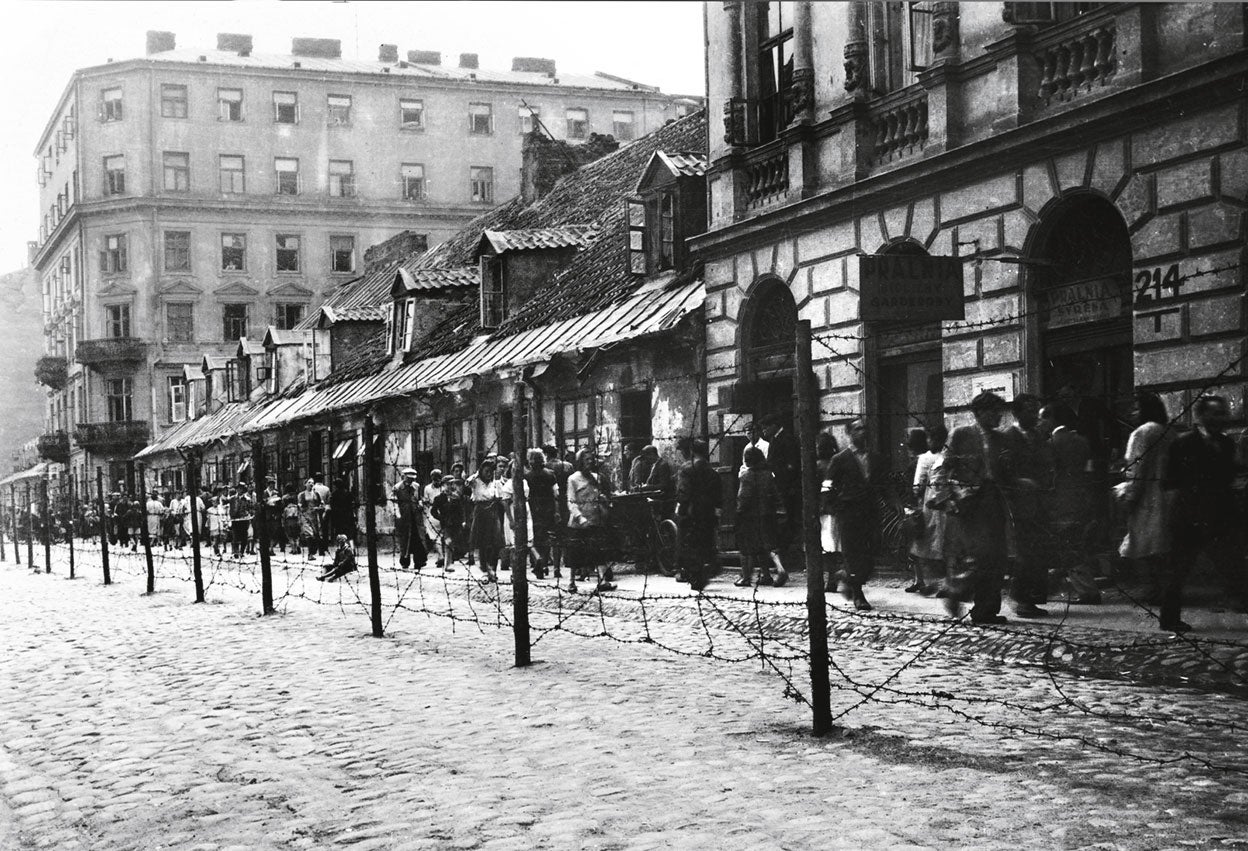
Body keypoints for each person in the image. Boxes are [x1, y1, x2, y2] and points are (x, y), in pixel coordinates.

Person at [1161, 395, 1245, 632]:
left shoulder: (1227, 444)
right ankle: (1169, 618)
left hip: (1220, 516)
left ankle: (1241, 604)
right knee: (1178, 570)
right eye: (1215, 413)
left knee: (1234, 565)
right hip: (1189, 517)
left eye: (1223, 413)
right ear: (1201, 416)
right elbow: (1169, 482)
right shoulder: (1183, 443)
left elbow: (1229, 478)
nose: (1221, 418)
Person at [941, 392, 1013, 625]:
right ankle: (957, 590)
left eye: (999, 411)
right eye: (993, 411)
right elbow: (943, 468)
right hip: (969, 503)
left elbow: (1007, 472)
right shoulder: (960, 434)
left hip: (994, 500)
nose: (998, 416)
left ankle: (986, 610)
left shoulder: (1002, 439)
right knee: (978, 555)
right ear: (979, 413)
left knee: (997, 556)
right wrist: (948, 498)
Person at [1115, 390, 1175, 606]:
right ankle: (1162, 588)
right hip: (1166, 495)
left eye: (1136, 408)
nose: (1132, 413)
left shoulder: (1142, 433)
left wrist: (1130, 496)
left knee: (1142, 544)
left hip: (1146, 497)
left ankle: (1152, 589)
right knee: (1161, 544)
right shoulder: (1167, 431)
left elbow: (1136, 468)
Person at [827, 419, 891, 611]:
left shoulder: (876, 458)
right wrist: (835, 506)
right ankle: (858, 593)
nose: (863, 432)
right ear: (849, 433)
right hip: (849, 513)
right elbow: (827, 485)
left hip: (870, 512)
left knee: (872, 553)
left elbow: (883, 484)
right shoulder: (839, 459)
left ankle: (846, 575)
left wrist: (894, 503)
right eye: (858, 429)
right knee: (853, 552)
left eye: (865, 428)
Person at [1002, 394, 1055, 618]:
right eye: (1029, 411)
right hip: (1019, 504)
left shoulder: (1038, 435)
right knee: (1025, 553)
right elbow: (1002, 472)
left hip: (1040, 502)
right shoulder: (1008, 436)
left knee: (1038, 551)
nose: (1034, 415)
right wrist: (1018, 482)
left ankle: (1031, 600)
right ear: (1017, 413)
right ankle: (1020, 599)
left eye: (1036, 411)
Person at [735, 446, 787, 588]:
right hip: (768, 514)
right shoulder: (768, 474)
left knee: (747, 546)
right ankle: (774, 571)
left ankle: (746, 577)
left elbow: (743, 497)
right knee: (769, 545)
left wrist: (739, 512)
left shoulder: (746, 476)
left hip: (750, 516)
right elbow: (776, 495)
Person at [674, 438, 722, 592]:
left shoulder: (686, 468)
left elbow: (683, 492)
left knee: (690, 543)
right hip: (707, 510)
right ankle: (709, 566)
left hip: (691, 511)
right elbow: (718, 492)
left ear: (692, 451)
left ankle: (695, 575)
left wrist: (681, 505)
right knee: (705, 541)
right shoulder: (710, 469)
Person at [566, 448, 614, 593]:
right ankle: (572, 582)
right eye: (586, 460)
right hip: (579, 523)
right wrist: (580, 518)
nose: (590, 462)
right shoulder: (573, 479)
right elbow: (571, 501)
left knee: (597, 550)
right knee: (575, 553)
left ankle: (602, 580)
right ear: (580, 462)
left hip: (595, 519)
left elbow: (599, 496)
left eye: (591, 459)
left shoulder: (596, 478)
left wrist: (604, 500)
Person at [909, 423, 948, 597]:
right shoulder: (949, 455)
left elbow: (917, 486)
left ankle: (927, 581)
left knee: (925, 543)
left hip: (930, 503)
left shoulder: (925, 458)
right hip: (947, 502)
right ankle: (946, 583)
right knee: (945, 542)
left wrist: (917, 496)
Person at [524, 448, 558, 579]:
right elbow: (556, 493)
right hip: (548, 508)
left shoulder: (527, 476)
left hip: (533, 509)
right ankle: (544, 562)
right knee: (547, 537)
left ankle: (537, 563)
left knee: (535, 537)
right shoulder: (550, 474)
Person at [468, 459, 503, 583]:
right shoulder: (476, 482)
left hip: (493, 512)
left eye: (491, 471)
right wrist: (477, 474)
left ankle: (492, 568)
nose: (489, 474)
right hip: (480, 512)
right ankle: (484, 570)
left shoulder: (496, 483)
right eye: (486, 471)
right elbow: (467, 482)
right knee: (481, 542)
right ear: (481, 471)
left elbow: (499, 499)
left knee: (495, 542)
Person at [816, 429, 843, 593]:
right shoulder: (837, 463)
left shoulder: (819, 465)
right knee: (835, 544)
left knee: (826, 545)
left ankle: (830, 579)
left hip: (823, 510)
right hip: (836, 508)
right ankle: (834, 576)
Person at [543, 444, 575, 579]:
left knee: (547, 535)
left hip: (548, 503)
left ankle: (545, 564)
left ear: (546, 454)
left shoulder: (544, 468)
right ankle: (564, 562)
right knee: (565, 533)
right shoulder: (568, 466)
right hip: (565, 502)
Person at [431, 474, 464, 572]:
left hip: (456, 523)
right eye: (448, 484)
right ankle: (447, 564)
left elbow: (461, 510)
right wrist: (441, 518)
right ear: (443, 485)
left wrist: (462, 520)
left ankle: (449, 560)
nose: (450, 486)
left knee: (453, 542)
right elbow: (433, 511)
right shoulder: (439, 498)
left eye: (452, 484)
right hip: (446, 524)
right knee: (448, 542)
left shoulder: (456, 497)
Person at [421, 470, 444, 567]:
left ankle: (441, 556)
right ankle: (439, 557)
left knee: (435, 536)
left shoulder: (440, 488)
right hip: (433, 513)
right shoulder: (429, 488)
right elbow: (426, 502)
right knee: (436, 536)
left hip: (436, 514)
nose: (437, 481)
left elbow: (426, 502)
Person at [297, 478, 322, 562]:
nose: (311, 484)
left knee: (316, 534)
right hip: (305, 516)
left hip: (315, 516)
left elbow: (321, 504)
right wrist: (300, 508)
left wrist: (318, 508)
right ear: (305, 484)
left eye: (312, 483)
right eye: (309, 482)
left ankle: (313, 551)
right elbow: (299, 505)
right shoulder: (302, 495)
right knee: (309, 534)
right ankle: (310, 554)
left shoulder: (316, 494)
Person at [229, 482, 254, 559]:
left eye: (241, 489)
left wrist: (250, 515)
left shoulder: (247, 499)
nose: (239, 490)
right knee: (235, 536)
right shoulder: (232, 499)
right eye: (238, 488)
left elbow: (251, 508)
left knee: (244, 536)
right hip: (235, 519)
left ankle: (242, 551)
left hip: (244, 519)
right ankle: (236, 551)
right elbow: (230, 508)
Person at [329, 476, 356, 546]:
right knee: (349, 534)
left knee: (340, 534)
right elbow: (353, 504)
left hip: (339, 517)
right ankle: (352, 548)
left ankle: (341, 549)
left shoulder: (334, 495)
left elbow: (332, 506)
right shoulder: (348, 493)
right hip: (348, 516)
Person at [312, 472, 332, 555]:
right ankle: (324, 547)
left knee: (315, 529)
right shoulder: (326, 489)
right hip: (324, 510)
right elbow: (328, 500)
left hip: (315, 510)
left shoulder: (313, 488)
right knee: (324, 529)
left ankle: (316, 547)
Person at [280, 484, 301, 555]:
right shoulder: (296, 497)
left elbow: (283, 512)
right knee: (297, 536)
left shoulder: (284, 500)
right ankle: (297, 546)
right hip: (296, 520)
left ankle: (294, 549)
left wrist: (283, 523)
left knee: (290, 536)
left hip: (289, 521)